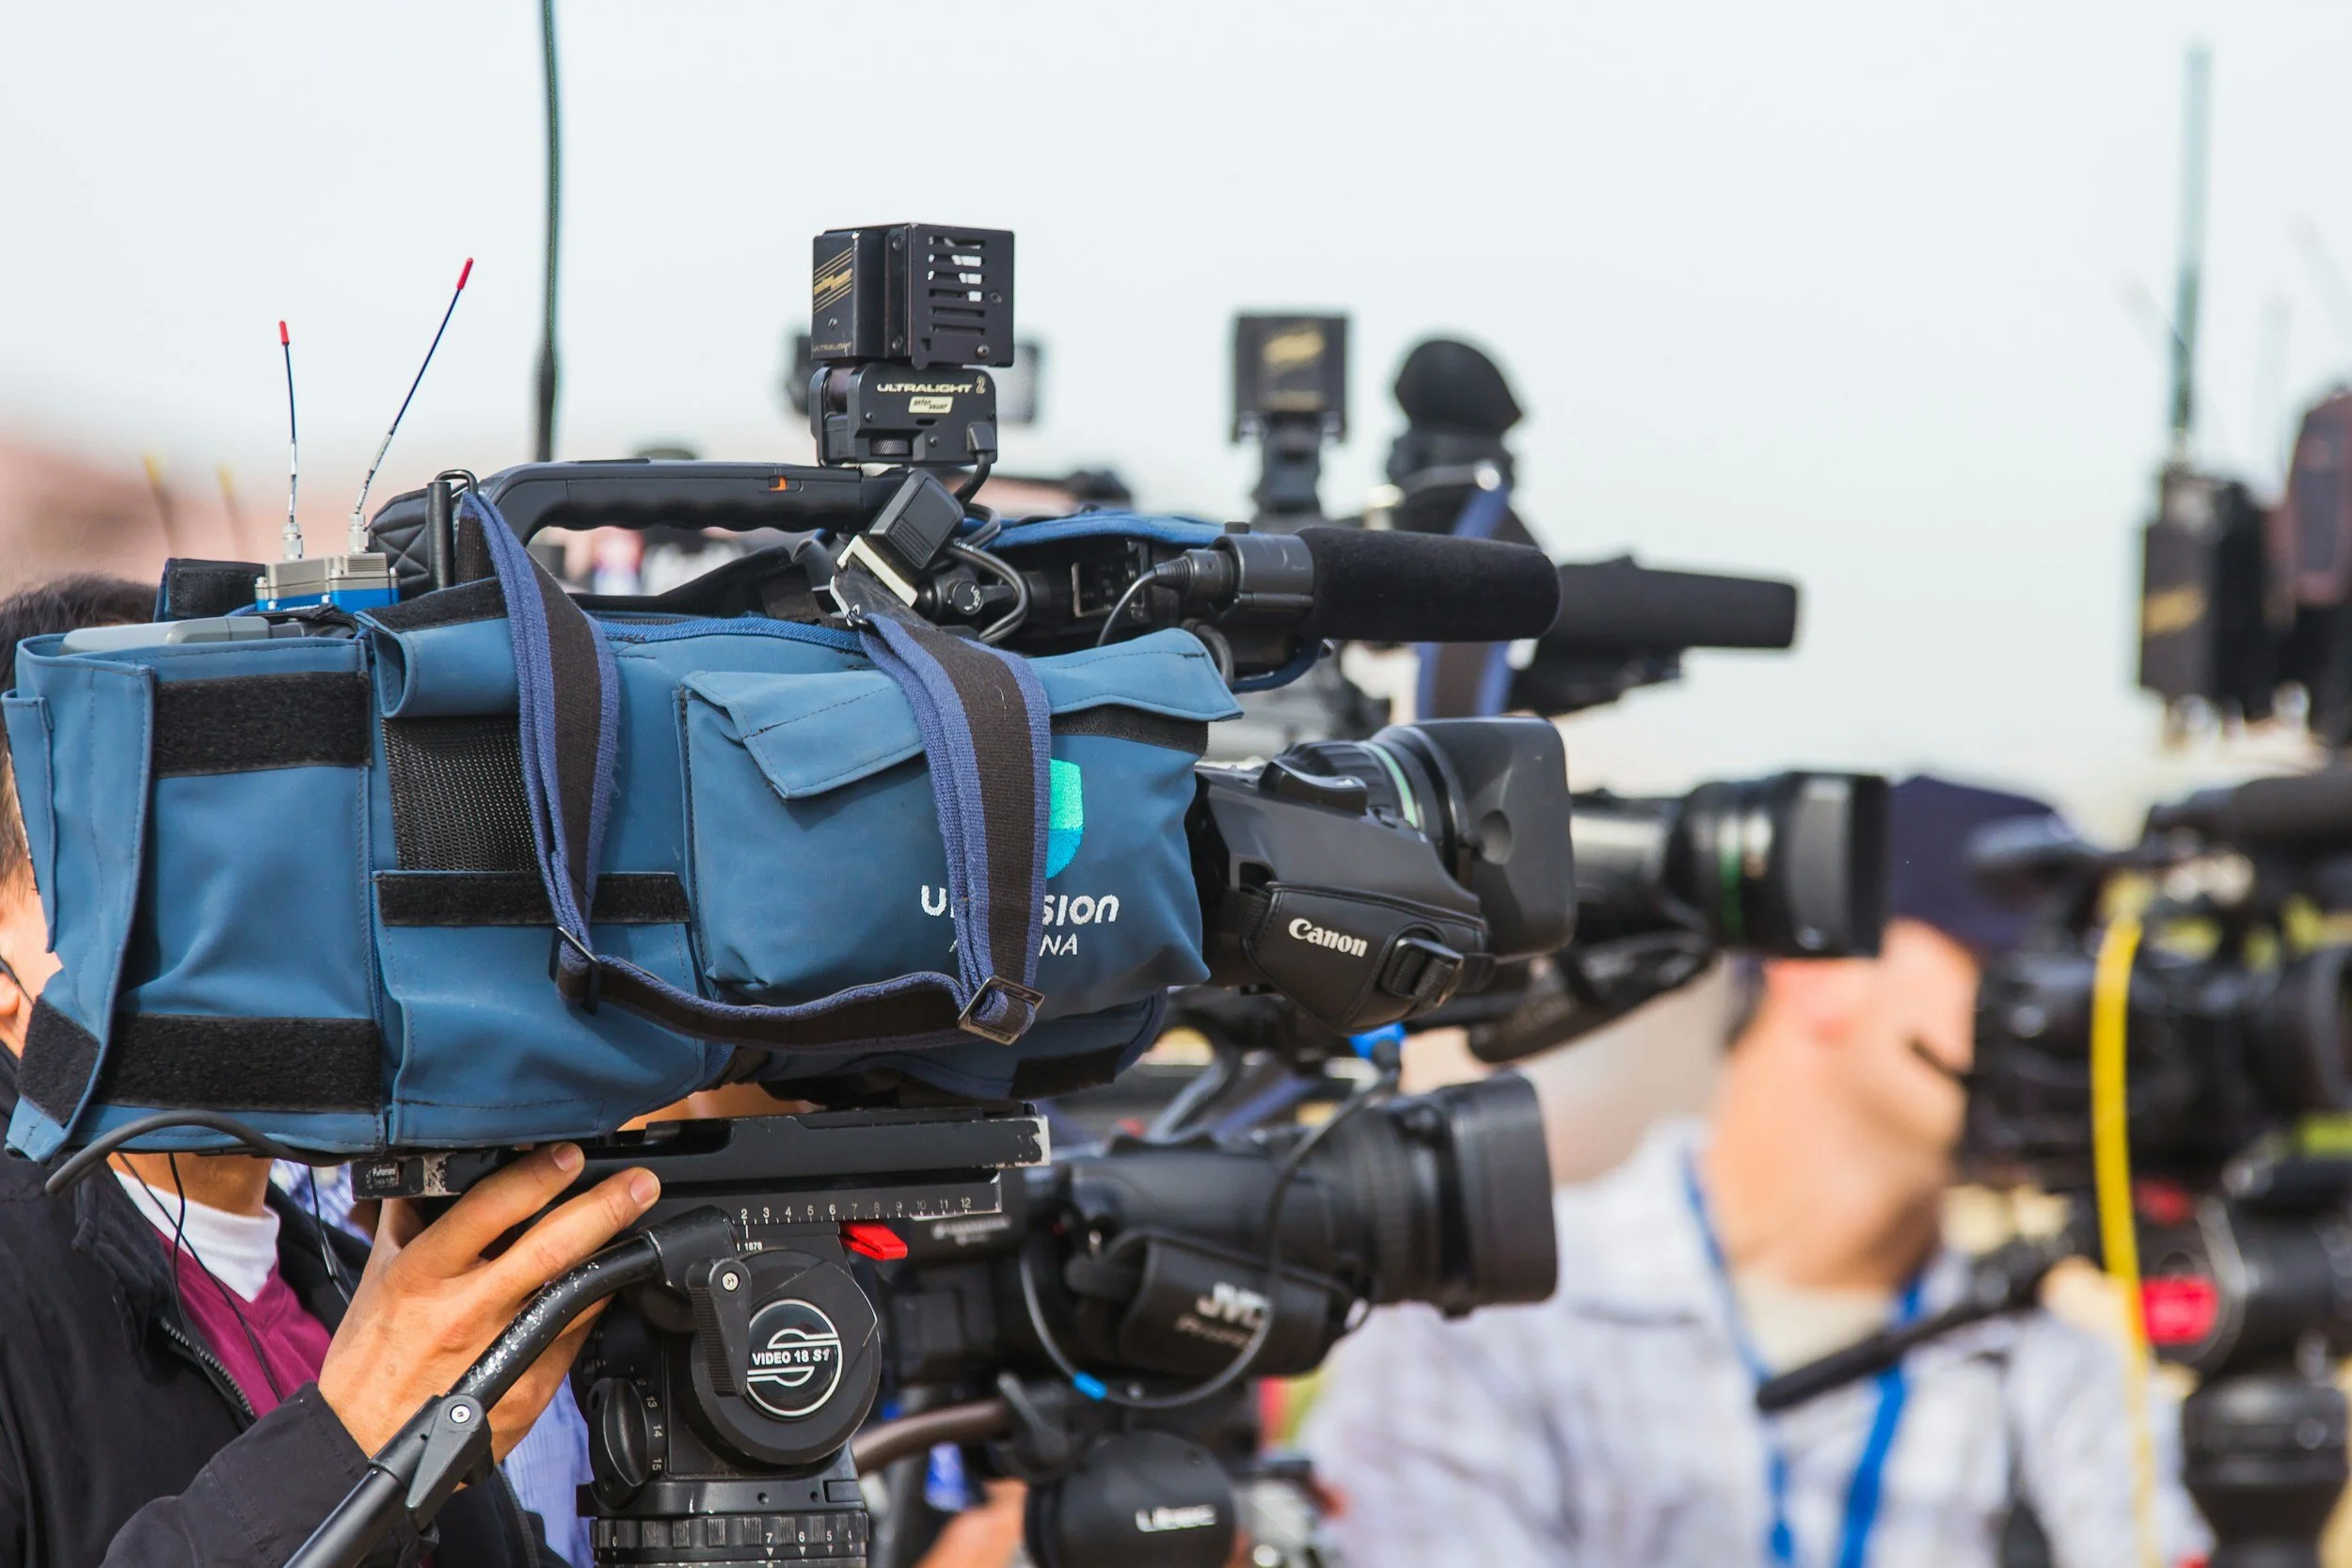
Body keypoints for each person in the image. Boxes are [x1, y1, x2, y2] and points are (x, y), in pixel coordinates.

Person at [1302, 775, 2210, 1567]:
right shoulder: (1485, 1317)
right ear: (1816, 969)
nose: (2062, 1022)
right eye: (2005, 967)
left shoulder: (2060, 1377)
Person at [0, 574, 663, 1568]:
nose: (237, 904)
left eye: (276, 829)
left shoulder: (362, 1280)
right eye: (145, 852)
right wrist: (348, 1441)